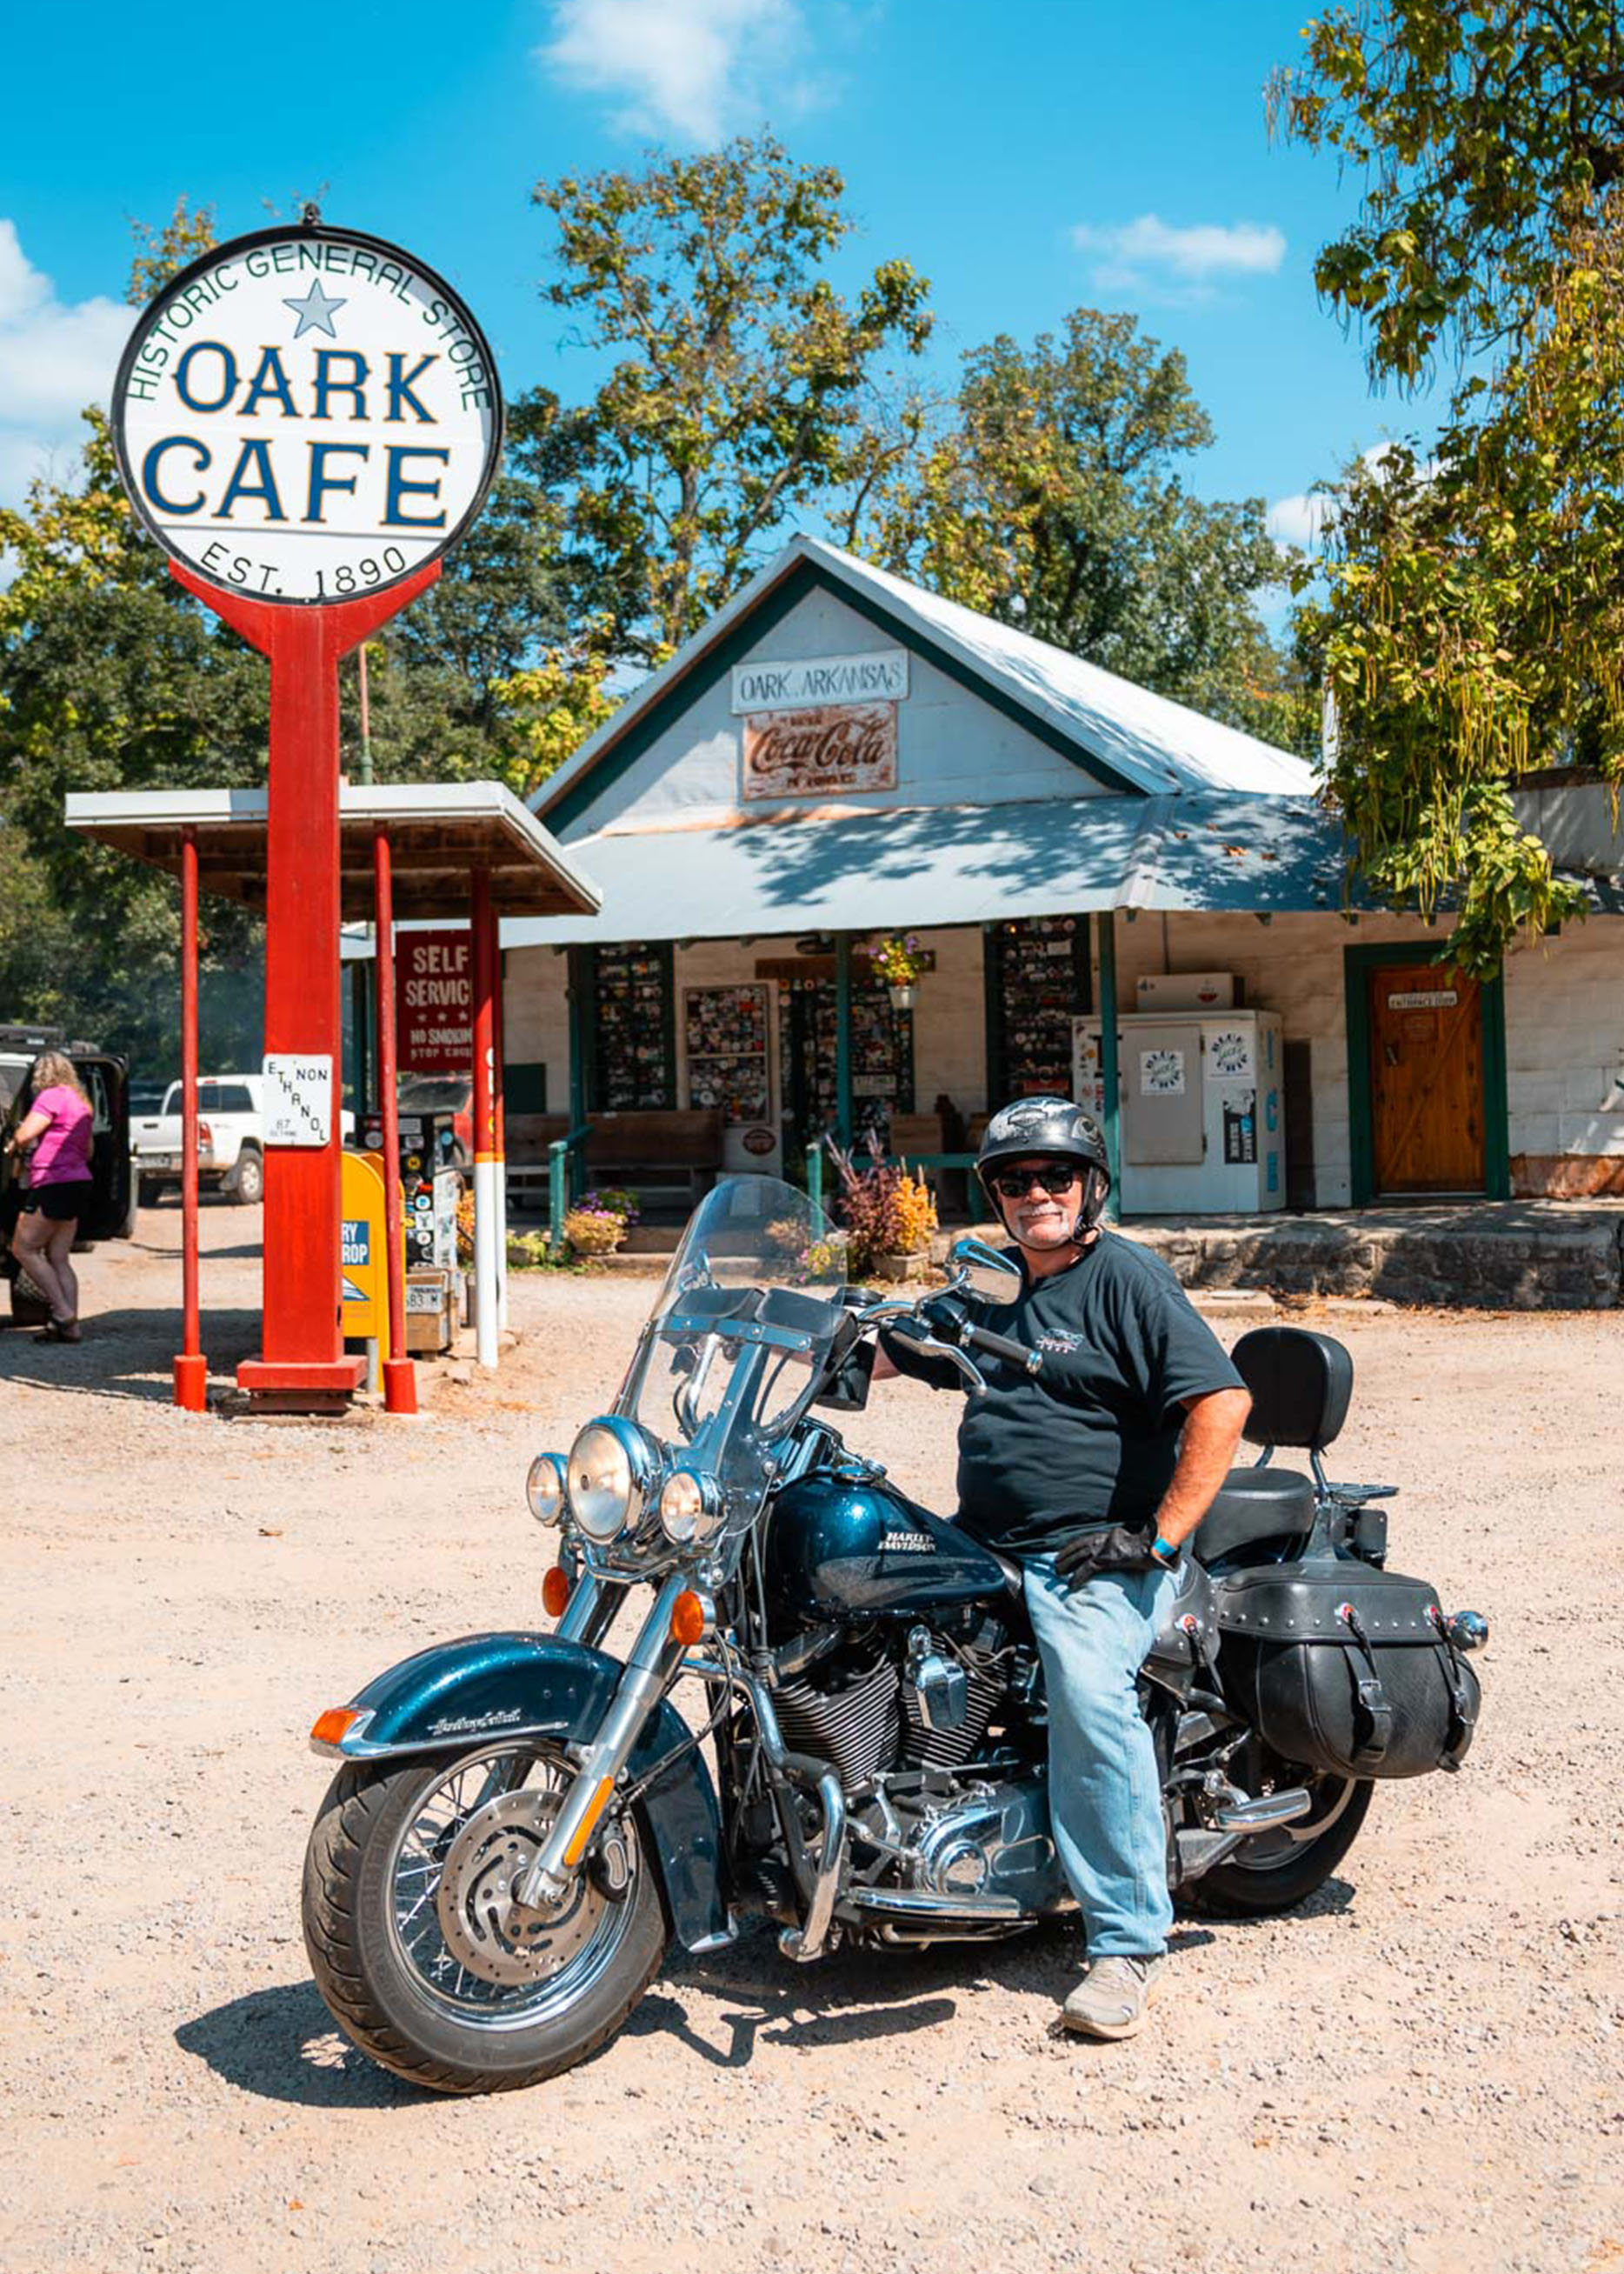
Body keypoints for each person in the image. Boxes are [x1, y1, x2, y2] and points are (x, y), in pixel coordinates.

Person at [876, 1095, 1250, 2041]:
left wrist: (1155, 1538)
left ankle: (1123, 1941)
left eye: (1053, 1176)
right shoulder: (991, 1283)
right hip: (986, 1535)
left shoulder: (1128, 1279)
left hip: (1094, 1546)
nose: (1034, 1193)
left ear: (1088, 1185)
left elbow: (1219, 1402)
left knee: (1087, 1688)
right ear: (994, 1195)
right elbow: (894, 1347)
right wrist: (789, 1333)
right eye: (1014, 1179)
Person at [4, 1050, 95, 1342]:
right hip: (78, 1182)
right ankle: (71, 1328)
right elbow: (89, 1150)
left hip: (52, 1182)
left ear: (42, 1075)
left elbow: (25, 1134)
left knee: (23, 1249)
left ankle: (63, 1312)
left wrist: (14, 1144)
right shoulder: (81, 1103)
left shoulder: (52, 1096)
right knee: (58, 1257)